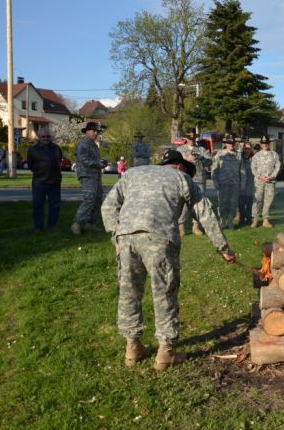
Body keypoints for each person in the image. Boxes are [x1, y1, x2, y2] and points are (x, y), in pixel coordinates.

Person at [101, 149, 236, 370]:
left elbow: (108, 206)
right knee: (164, 293)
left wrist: (116, 237)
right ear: (180, 166)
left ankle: (132, 348)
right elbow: (205, 214)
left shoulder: (133, 173)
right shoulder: (182, 178)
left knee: (129, 292)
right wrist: (224, 248)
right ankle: (166, 352)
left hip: (126, 238)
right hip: (160, 238)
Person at [177, 129, 213, 236]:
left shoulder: (201, 149)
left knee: (198, 204)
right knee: (184, 203)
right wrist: (186, 159)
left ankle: (195, 226)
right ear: (186, 138)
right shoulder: (180, 150)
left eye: (193, 138)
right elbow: (175, 163)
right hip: (186, 179)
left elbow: (210, 161)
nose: (191, 140)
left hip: (199, 180)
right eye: (189, 138)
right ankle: (181, 226)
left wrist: (201, 158)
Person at [27, 128, 63, 232]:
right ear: (39, 137)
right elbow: (30, 165)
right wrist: (39, 171)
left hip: (55, 181)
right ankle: (38, 226)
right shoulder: (32, 150)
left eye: (48, 136)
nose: (46, 138)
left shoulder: (57, 148)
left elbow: (58, 161)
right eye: (43, 137)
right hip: (39, 181)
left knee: (55, 206)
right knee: (38, 205)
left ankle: (52, 226)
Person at [71, 121, 104, 235]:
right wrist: (99, 164)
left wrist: (101, 162)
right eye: (93, 131)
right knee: (89, 199)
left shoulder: (93, 145)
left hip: (96, 176)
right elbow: (84, 160)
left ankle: (90, 223)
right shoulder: (83, 144)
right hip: (87, 175)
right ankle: (77, 223)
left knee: (98, 199)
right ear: (87, 132)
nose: (95, 133)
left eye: (97, 132)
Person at [250, 134, 281, 228]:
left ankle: (265, 220)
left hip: (270, 182)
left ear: (269, 144)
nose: (265, 145)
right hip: (259, 182)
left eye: (266, 143)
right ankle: (255, 219)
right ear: (261, 144)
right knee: (257, 200)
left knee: (268, 201)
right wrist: (259, 177)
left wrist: (271, 177)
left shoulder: (274, 154)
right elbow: (253, 168)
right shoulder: (256, 155)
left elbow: (278, 167)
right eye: (263, 143)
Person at [212, 133, 240, 230]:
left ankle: (230, 221)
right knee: (222, 203)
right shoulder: (220, 154)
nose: (231, 144)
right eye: (229, 143)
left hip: (235, 184)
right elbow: (214, 168)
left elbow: (241, 169)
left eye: (232, 143)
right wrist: (214, 180)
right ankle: (222, 222)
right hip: (223, 183)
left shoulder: (238, 155)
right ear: (226, 144)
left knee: (233, 203)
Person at [238, 139, 255, 226]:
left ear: (251, 149)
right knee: (241, 203)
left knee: (249, 202)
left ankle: (248, 219)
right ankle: (241, 219)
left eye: (249, 148)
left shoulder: (254, 159)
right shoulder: (239, 158)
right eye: (245, 148)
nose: (247, 150)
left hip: (250, 184)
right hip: (241, 184)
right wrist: (241, 147)